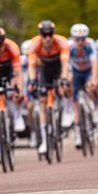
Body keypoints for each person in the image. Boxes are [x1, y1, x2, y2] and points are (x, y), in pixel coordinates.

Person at [27, 20, 70, 154]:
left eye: (50, 34)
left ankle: (65, 112)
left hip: (58, 67)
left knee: (65, 87)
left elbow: (65, 64)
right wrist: (33, 80)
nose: (47, 38)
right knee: (43, 102)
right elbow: (31, 66)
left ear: (53, 34)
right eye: (44, 35)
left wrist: (63, 80)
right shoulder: (34, 44)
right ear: (40, 35)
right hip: (45, 70)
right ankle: (45, 142)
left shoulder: (61, 42)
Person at [0, 26, 25, 164]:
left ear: (5, 41)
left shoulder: (12, 47)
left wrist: (19, 90)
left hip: (8, 70)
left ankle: (18, 116)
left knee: (16, 90)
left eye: (0, 44)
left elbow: (18, 73)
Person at [68, 24, 98, 148]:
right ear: (73, 38)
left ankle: (94, 109)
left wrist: (94, 79)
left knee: (92, 87)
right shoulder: (69, 46)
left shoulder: (91, 44)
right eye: (77, 39)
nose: (80, 42)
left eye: (82, 39)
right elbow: (66, 64)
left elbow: (95, 63)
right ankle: (78, 136)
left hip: (87, 71)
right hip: (75, 72)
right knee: (76, 105)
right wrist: (67, 78)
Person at [20, 39, 38, 148]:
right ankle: (33, 132)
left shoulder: (38, 57)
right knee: (30, 108)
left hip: (38, 83)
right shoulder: (22, 60)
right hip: (28, 86)